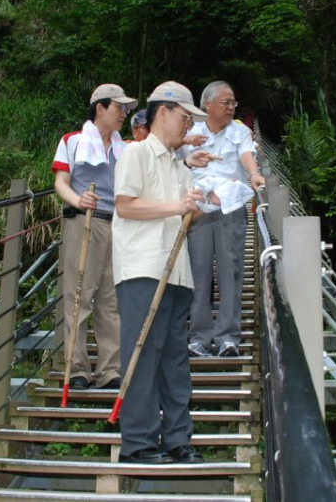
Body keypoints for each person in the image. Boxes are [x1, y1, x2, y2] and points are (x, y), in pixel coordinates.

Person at [113, 81, 217, 464]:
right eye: (186, 118)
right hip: (143, 268)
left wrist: (205, 205)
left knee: (174, 359)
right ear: (163, 113)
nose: (188, 126)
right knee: (143, 355)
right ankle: (137, 444)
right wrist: (178, 206)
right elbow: (125, 205)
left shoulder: (178, 166)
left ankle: (177, 439)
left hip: (177, 272)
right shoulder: (135, 153)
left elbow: (184, 215)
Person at [51, 83, 137, 391]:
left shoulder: (126, 148)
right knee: (78, 296)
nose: (124, 114)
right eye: (119, 107)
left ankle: (109, 369)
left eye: (126, 109)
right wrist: (78, 200)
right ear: (100, 108)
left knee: (110, 300)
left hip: (118, 225)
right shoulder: (72, 141)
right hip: (83, 222)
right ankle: (76, 369)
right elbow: (60, 182)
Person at [177, 81, 265, 358]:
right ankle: (199, 337)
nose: (231, 107)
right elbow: (175, 161)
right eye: (225, 102)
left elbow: (246, 155)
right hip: (199, 207)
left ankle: (228, 337)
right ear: (208, 104)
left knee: (231, 271)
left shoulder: (240, 131)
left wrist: (254, 174)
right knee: (198, 272)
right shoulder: (190, 131)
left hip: (230, 206)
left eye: (233, 102)